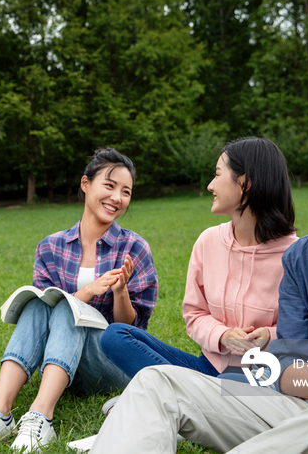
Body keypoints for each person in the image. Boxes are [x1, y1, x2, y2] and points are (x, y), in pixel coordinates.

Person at [90, 85, 308, 454]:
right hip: (297, 409)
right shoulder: (306, 256)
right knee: (156, 382)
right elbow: (289, 372)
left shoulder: (288, 249)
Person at [0, 148, 158, 452]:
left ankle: (41, 417)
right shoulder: (51, 247)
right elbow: (46, 303)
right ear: (85, 184)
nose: (117, 197)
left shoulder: (134, 248)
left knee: (67, 307)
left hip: (109, 363)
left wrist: (120, 291)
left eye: (126, 191)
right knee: (42, 303)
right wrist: (87, 292)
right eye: (109, 185)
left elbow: (130, 332)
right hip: (60, 361)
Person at [100, 137, 297, 384]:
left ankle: (170, 395)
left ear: (245, 183)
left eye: (217, 174)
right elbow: (195, 314)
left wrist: (269, 335)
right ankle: (186, 395)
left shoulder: (296, 256)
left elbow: (307, 332)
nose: (210, 185)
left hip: (260, 378)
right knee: (115, 336)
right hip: (209, 370)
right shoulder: (208, 241)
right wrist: (223, 335)